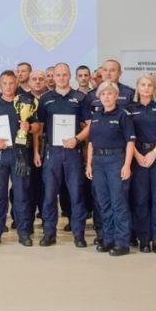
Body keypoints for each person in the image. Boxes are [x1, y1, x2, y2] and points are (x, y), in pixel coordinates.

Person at [0, 70, 38, 246]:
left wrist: (28, 127)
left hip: (20, 155)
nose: (8, 87)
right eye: (5, 83)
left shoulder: (25, 102)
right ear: (0, 84)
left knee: (21, 195)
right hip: (0, 154)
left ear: (16, 84)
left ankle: (24, 233)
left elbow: (37, 127)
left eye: (11, 83)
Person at [33, 62, 90, 247]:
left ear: (69, 76)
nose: (61, 78)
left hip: (73, 152)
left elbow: (90, 126)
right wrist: (36, 151)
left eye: (65, 74)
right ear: (53, 77)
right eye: (58, 75)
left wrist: (77, 139)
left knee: (76, 195)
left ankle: (79, 234)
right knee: (49, 196)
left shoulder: (80, 98)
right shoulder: (45, 99)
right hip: (53, 153)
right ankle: (49, 233)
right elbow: (38, 128)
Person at [84, 82, 136, 256]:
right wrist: (89, 163)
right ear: (99, 97)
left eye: (110, 93)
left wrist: (127, 165)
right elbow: (91, 142)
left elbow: (130, 142)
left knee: (118, 202)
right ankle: (108, 239)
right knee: (103, 203)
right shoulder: (96, 116)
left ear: (116, 96)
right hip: (98, 162)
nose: (106, 96)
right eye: (103, 94)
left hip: (116, 160)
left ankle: (122, 242)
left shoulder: (123, 115)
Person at [127, 74, 156, 253]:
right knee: (141, 200)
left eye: (149, 85)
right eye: (143, 85)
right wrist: (138, 156)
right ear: (137, 87)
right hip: (138, 156)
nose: (146, 88)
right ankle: (144, 239)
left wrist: (154, 152)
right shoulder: (130, 109)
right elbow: (128, 136)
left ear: (153, 88)